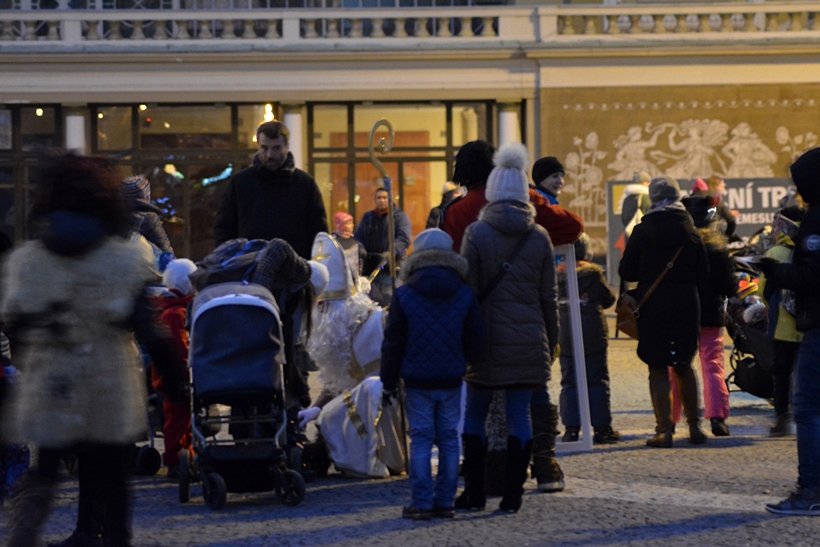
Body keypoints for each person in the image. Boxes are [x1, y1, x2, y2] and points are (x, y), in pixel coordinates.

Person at [2, 153, 188, 546]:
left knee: (46, 469)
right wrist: (175, 384)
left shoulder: (30, 260)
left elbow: (16, 321)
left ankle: (25, 534)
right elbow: (150, 329)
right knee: (112, 476)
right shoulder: (123, 257)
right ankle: (108, 537)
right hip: (109, 386)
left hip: (52, 385)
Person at [457, 143, 559, 513]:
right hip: (530, 340)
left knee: (475, 414)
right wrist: (552, 340)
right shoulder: (540, 237)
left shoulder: (477, 233)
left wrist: (465, 340)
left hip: (487, 342)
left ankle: (476, 491)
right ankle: (514, 494)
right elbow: (549, 297)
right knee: (520, 414)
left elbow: (467, 294)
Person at [380, 228, 483, 520]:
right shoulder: (464, 292)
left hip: (416, 380)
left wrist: (388, 381)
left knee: (422, 439)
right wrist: (470, 361)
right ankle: (446, 501)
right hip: (451, 376)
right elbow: (475, 335)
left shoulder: (405, 294)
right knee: (450, 438)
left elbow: (393, 343)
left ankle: (422, 502)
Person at [618, 175, 709, 448]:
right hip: (685, 303)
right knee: (684, 363)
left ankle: (664, 431)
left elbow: (627, 271)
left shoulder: (643, 231)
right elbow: (704, 273)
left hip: (654, 304)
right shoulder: (691, 231)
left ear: (653, 199)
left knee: (657, 365)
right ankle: (695, 428)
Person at [758, 147, 820, 516]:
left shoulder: (817, 219)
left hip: (819, 323)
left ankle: (810, 489)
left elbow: (813, 277)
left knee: (809, 408)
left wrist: (774, 269)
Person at [670, 194, 736, 437]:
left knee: (677, 366)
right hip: (710, 314)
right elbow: (729, 286)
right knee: (713, 365)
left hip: (682, 313)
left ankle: (671, 417)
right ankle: (717, 418)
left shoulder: (679, 246)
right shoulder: (718, 248)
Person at [213, 120, 328, 259]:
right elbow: (224, 228)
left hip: (293, 266)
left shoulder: (305, 184)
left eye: (276, 148)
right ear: (258, 147)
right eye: (264, 148)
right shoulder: (240, 183)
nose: (269, 155)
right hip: (249, 265)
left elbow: (318, 231)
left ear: (287, 147)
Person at [558, 233, 619, 445]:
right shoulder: (593, 275)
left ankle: (571, 429)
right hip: (593, 334)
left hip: (565, 335)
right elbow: (609, 299)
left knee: (569, 381)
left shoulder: (556, 276)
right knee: (597, 380)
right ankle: (602, 429)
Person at [759, 205, 806, 436]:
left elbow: (762, 290)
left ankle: (782, 416)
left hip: (782, 327)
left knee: (782, 371)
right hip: (808, 324)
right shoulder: (809, 250)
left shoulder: (775, 254)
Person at [151, 258, 198, 478]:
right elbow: (180, 348)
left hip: (167, 375)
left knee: (179, 419)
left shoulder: (169, 308)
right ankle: (175, 459)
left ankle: (184, 454)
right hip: (174, 375)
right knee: (178, 420)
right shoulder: (176, 313)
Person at [354, 187, 412, 307]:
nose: (381, 200)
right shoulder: (368, 217)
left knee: (389, 304)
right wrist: (361, 249)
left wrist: (391, 252)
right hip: (370, 270)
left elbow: (404, 239)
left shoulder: (399, 217)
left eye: (384, 197)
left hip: (390, 269)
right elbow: (358, 238)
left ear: (390, 199)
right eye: (379, 198)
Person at [122, 174, 175, 269]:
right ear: (146, 196)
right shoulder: (149, 217)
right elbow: (165, 252)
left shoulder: (115, 217)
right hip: (143, 272)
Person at [332, 211, 366, 278]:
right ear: (342, 225)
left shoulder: (356, 242)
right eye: (349, 223)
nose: (352, 225)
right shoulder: (332, 242)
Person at [620, 170, 652, 240]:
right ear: (645, 183)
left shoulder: (626, 199)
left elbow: (624, 218)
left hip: (630, 234)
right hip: (645, 235)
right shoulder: (646, 197)